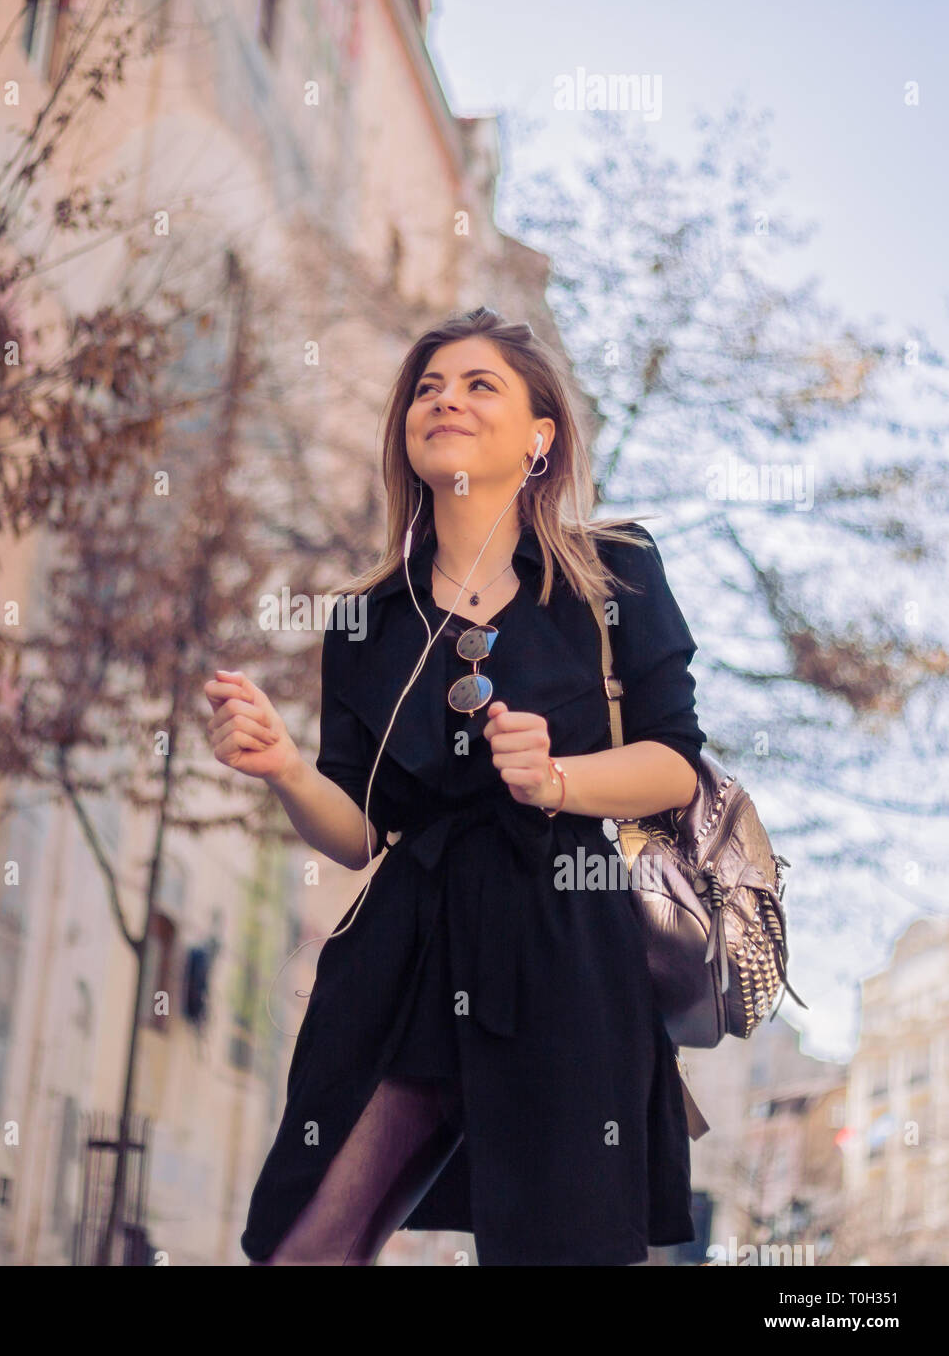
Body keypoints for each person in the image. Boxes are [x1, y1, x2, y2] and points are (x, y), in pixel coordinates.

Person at [203, 308, 706, 1266]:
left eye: (481, 386)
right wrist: (281, 767)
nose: (446, 401)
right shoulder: (362, 618)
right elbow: (356, 831)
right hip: (402, 949)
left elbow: (672, 763)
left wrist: (555, 777)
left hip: (562, 940)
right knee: (303, 1243)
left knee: (561, 1251)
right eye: (428, 388)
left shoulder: (614, 572)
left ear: (539, 437)